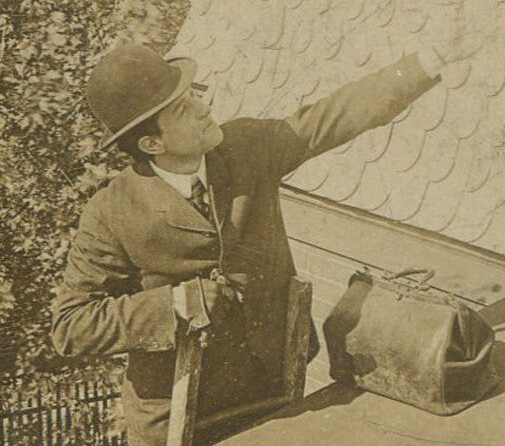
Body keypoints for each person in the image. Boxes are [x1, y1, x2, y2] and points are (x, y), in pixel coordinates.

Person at [51, 37, 477, 445]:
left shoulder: (249, 146)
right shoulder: (111, 213)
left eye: (195, 95)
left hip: (271, 385)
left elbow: (331, 118)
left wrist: (429, 59)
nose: (203, 108)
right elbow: (70, 326)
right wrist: (175, 305)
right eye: (183, 110)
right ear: (151, 143)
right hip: (178, 416)